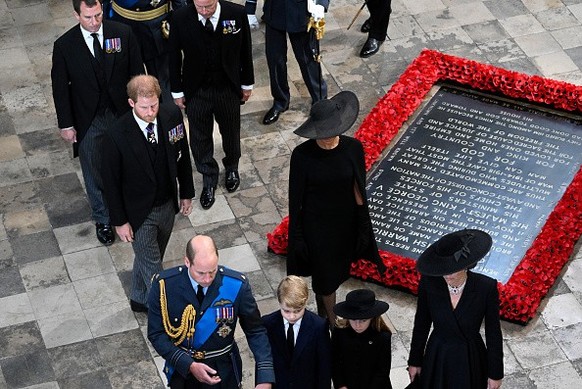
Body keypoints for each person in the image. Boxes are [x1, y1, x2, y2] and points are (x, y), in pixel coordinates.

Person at [51, 0, 143, 246]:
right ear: (76, 15)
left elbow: (136, 73)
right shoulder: (64, 46)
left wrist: (142, 107)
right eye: (88, 17)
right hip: (88, 117)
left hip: (121, 112)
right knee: (92, 168)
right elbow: (60, 89)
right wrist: (66, 124)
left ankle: (127, 210)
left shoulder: (122, 33)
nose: (94, 22)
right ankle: (103, 217)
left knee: (128, 162)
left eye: (98, 16)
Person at [287, 90, 383, 325]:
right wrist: (298, 236)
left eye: (332, 132)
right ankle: (331, 324)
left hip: (344, 224)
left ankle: (323, 315)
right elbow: (295, 199)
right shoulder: (302, 156)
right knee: (326, 278)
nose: (328, 138)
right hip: (316, 228)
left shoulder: (353, 149)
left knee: (335, 274)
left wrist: (362, 224)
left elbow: (358, 188)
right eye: (323, 133)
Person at [101, 75, 195, 313]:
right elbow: (110, 184)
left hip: (167, 205)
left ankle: (139, 298)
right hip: (138, 213)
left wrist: (186, 192)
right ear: (132, 103)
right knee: (153, 266)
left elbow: (182, 155)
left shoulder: (171, 116)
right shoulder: (116, 134)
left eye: (154, 105)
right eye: (144, 107)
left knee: (149, 256)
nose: (151, 111)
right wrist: (120, 222)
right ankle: (165, 313)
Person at [147, 235, 275, 388]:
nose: (207, 279)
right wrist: (189, 365)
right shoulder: (164, 286)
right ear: (187, 262)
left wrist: (265, 376)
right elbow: (156, 334)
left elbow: (255, 331)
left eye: (212, 272)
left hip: (222, 371)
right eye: (201, 273)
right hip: (183, 372)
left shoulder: (235, 285)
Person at [169, 0, 254, 210]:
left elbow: (245, 50)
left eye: (209, 7)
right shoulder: (180, 18)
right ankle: (208, 177)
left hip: (227, 87)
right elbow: (173, 57)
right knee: (199, 137)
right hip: (197, 89)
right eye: (200, 8)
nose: (205, 12)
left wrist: (247, 83)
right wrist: (177, 91)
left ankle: (232, 166)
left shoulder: (236, 13)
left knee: (231, 132)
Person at [407, 229, 504, 389]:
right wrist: (415, 361)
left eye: (453, 269)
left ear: (466, 265)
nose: (447, 274)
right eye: (444, 269)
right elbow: (421, 324)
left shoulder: (485, 287)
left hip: (470, 356)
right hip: (438, 354)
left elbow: (493, 332)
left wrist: (495, 373)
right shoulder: (429, 282)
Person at [102, 0, 188, 103]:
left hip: (156, 26)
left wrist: (184, 26)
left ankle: (167, 115)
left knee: (163, 82)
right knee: (126, 83)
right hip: (123, 22)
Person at [261, 0, 329, 125]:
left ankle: (319, 99)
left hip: (301, 12)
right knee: (275, 60)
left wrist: (321, 4)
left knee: (307, 60)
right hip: (275, 10)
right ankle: (280, 101)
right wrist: (250, 7)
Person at [262, 275, 332, 389]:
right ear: (279, 302)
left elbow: (324, 367)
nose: (292, 316)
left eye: (298, 311)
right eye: (287, 311)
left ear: (305, 303)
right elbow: (263, 362)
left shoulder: (319, 326)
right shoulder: (267, 324)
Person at [332, 289, 393, 389]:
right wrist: (341, 385)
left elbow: (382, 371)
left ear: (372, 318)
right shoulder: (339, 332)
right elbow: (335, 361)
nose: (357, 325)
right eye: (353, 319)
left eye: (363, 320)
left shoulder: (382, 337)